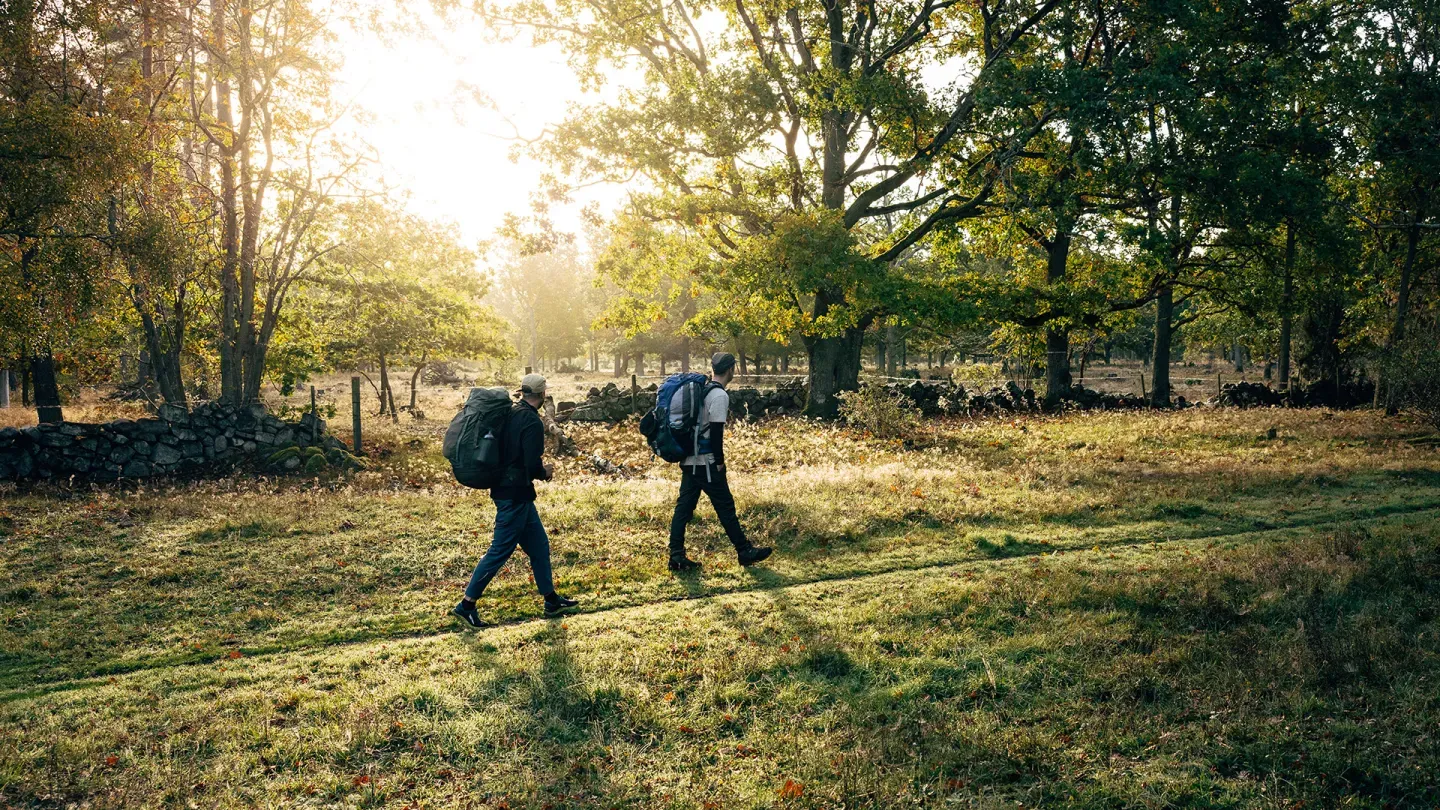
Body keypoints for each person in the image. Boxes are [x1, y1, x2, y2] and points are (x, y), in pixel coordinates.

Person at [453, 373, 579, 627]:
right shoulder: (531, 421)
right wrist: (545, 472)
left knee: (539, 546)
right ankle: (466, 606)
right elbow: (530, 463)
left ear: (523, 393)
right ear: (542, 394)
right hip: (514, 496)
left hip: (511, 491)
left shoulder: (510, 412)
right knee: (499, 551)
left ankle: (551, 600)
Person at [667, 353, 773, 572]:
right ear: (731, 369)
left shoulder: (702, 391)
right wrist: (719, 462)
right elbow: (716, 433)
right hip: (706, 463)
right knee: (725, 507)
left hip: (689, 460)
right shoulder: (719, 396)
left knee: (683, 509)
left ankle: (676, 556)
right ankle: (744, 551)